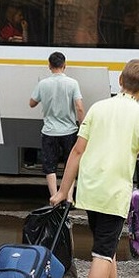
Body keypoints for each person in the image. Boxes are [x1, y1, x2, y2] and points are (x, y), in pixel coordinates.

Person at [50, 59, 139, 278]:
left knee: (106, 249)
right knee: (101, 254)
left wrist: (63, 190)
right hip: (113, 192)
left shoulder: (98, 108)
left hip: (90, 188)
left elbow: (77, 150)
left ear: (120, 81)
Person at [29, 52, 85, 199]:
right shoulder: (73, 83)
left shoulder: (43, 84)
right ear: (64, 65)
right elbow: (79, 107)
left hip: (49, 131)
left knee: (50, 166)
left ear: (49, 66)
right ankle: (69, 197)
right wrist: (83, 125)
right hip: (69, 131)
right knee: (70, 164)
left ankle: (54, 197)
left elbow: (32, 103)